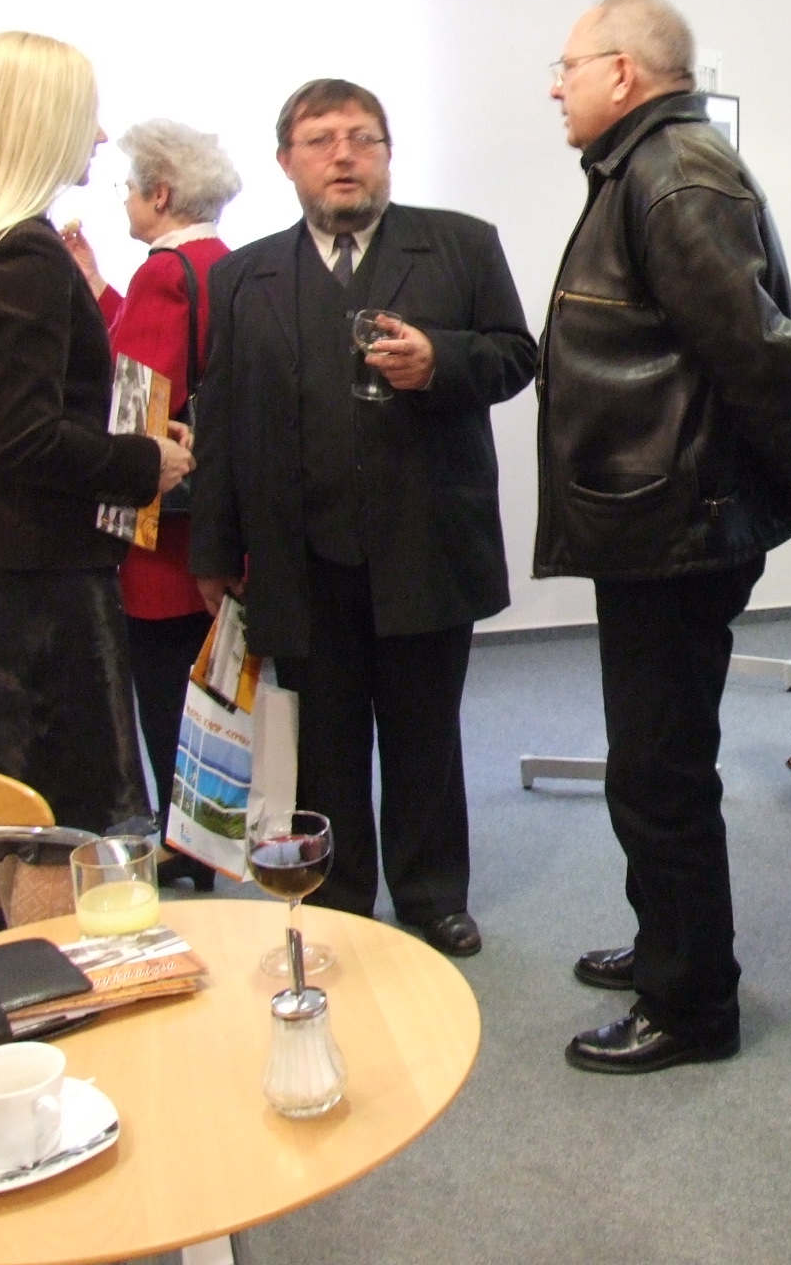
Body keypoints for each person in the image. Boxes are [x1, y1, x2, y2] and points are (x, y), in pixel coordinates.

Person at [540, 0, 791, 1073]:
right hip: (656, 522)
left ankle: (691, 1005)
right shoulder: (652, 165)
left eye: (568, 66)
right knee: (651, 765)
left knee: (660, 773)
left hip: (674, 527)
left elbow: (760, 357)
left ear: (623, 72)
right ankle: (668, 945)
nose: (556, 87)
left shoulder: (671, 174)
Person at [190, 79, 535, 957]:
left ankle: (431, 894)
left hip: (427, 543)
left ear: (388, 154)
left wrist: (441, 360)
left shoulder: (460, 245)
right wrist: (213, 547)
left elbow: (514, 357)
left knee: (426, 735)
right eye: (320, 140)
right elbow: (220, 416)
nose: (343, 155)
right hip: (300, 555)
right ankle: (341, 894)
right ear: (287, 162)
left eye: (362, 138)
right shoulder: (241, 276)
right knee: (326, 742)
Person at [0, 31, 194, 910]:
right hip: (45, 573)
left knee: (23, 788)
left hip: (8, 559)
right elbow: (26, 439)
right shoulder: (23, 256)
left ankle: (23, 954)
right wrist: (146, 460)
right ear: (38, 121)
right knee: (60, 815)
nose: (100, 137)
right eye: (87, 116)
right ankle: (53, 972)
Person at [63, 120, 240, 893]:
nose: (125, 201)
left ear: (161, 194)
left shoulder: (164, 274)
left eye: (130, 188)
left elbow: (135, 396)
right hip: (216, 521)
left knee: (169, 689)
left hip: (163, 536)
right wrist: (102, 289)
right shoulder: (222, 264)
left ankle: (185, 841)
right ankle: (209, 833)